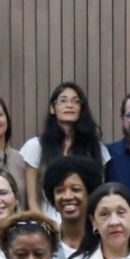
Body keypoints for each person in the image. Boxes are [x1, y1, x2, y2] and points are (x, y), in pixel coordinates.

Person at [19, 82, 110, 222]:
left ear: (81, 109)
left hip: (85, 225)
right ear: (52, 108)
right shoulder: (35, 146)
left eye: (76, 101)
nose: (69, 105)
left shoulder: (96, 148)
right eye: (63, 100)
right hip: (45, 222)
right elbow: (32, 201)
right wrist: (46, 226)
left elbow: (99, 195)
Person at [42, 155, 105, 259]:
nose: (67, 197)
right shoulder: (45, 244)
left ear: (90, 194)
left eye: (75, 189)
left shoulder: (105, 242)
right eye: (60, 191)